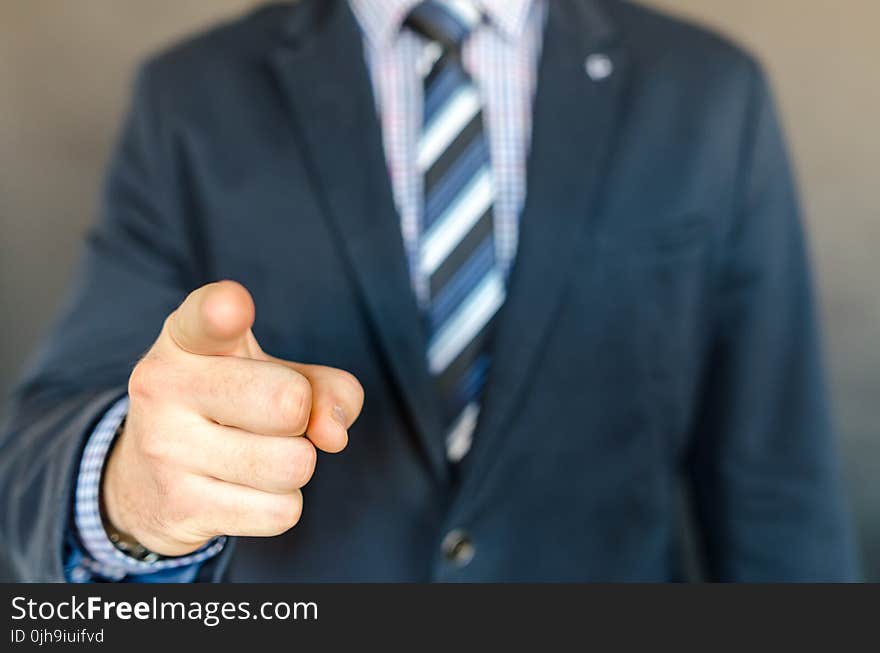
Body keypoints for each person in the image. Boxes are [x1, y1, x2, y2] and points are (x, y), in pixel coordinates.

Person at [0, 0, 859, 582]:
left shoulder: (710, 94)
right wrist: (132, 491)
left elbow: (779, 493)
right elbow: (44, 451)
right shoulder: (191, 98)